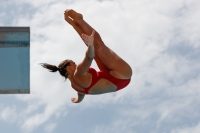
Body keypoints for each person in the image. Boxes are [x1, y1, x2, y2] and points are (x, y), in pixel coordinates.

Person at [41, 9, 132, 103]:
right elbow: (89, 57)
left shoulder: (75, 86)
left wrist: (77, 100)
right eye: (74, 63)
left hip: (118, 81)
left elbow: (81, 95)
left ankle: (74, 23)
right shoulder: (78, 73)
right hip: (121, 73)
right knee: (99, 46)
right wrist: (90, 44)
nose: (76, 65)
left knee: (95, 51)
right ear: (69, 68)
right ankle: (79, 20)